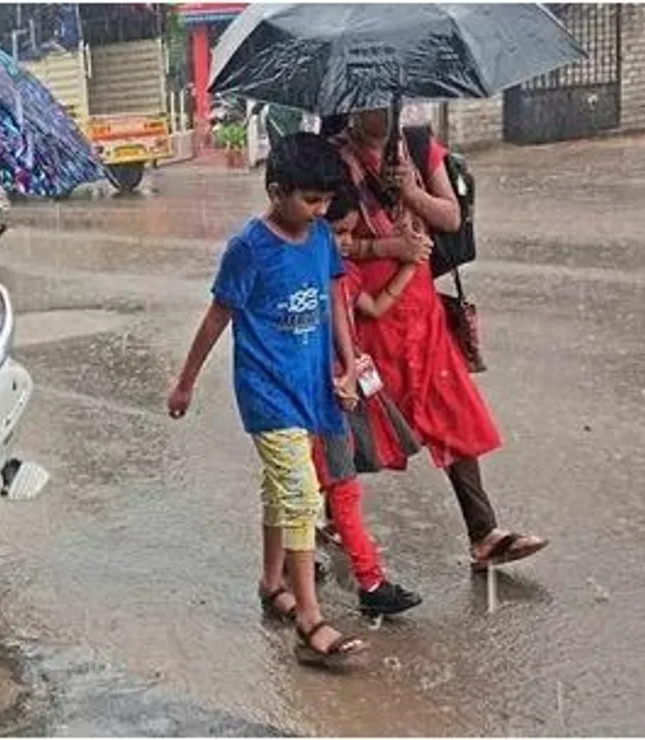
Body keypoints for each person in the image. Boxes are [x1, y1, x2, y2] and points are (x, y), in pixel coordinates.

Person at [167, 132, 366, 666]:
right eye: (310, 199)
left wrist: (348, 363)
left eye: (325, 201)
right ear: (276, 191)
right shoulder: (248, 249)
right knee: (302, 495)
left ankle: (271, 580)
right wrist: (185, 382)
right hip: (267, 391)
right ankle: (309, 617)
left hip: (312, 384)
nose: (320, 210)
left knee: (280, 490)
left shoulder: (322, 238)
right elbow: (217, 318)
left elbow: (335, 301)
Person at [332, 109, 548, 572]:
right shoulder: (335, 160)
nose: (383, 114)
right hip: (368, 310)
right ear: (353, 104)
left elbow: (450, 216)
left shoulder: (417, 145)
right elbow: (327, 239)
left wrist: (410, 191)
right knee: (357, 418)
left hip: (421, 307)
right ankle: (322, 513)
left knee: (450, 408)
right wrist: (388, 248)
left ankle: (483, 533)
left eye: (388, 102)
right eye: (372, 103)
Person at [312, 186, 424, 618]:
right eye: (337, 232)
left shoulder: (344, 275)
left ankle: (366, 578)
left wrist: (410, 267)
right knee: (321, 490)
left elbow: (373, 309)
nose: (342, 242)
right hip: (319, 395)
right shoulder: (309, 276)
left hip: (342, 392)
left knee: (338, 489)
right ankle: (357, 579)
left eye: (347, 234)